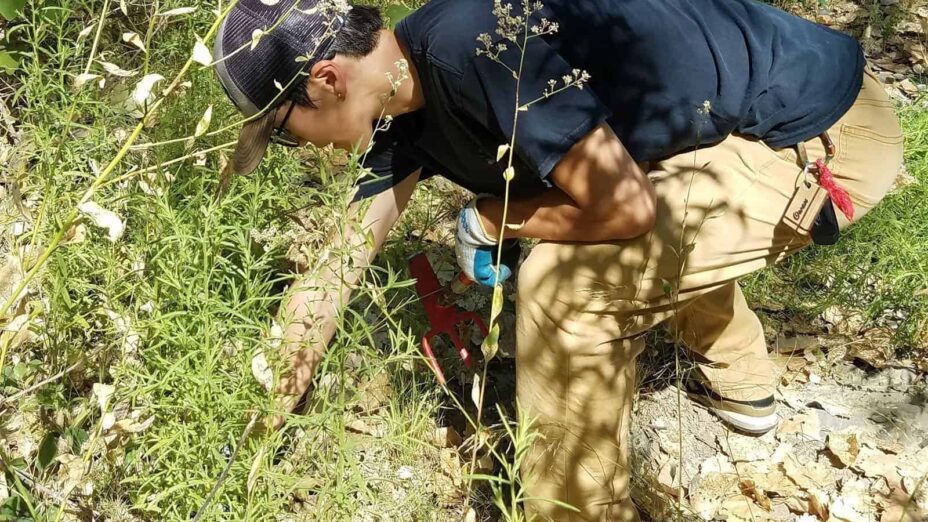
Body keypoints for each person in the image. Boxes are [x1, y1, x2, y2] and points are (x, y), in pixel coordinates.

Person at [213, 0, 904, 519]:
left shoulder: (472, 50)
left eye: (284, 135)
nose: (303, 150)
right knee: (591, 203)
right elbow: (333, 273)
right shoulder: (404, 97)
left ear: (328, 79)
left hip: (819, 133)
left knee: (561, 287)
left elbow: (627, 210)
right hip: (729, 128)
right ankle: (745, 380)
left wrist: (490, 216)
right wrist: (250, 438)